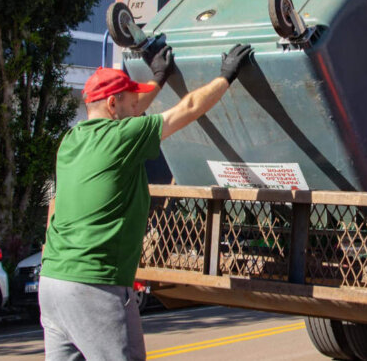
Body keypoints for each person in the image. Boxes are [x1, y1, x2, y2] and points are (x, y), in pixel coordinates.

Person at [39, 42, 252, 360]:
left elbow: (133, 112)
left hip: (53, 285)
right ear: (113, 104)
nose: (137, 106)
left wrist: (158, 77)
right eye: (130, 100)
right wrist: (226, 76)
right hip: (95, 285)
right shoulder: (121, 138)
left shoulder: (71, 142)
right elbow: (189, 107)